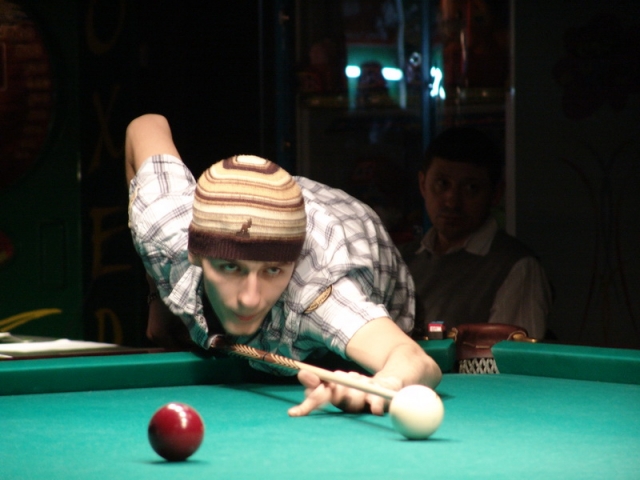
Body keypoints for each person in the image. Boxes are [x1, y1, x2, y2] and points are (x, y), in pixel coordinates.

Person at [125, 114, 441, 418]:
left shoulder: (318, 293)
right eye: (231, 268)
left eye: (272, 270)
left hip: (375, 273)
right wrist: (158, 297)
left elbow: (415, 358)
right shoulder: (165, 230)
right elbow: (146, 125)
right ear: (194, 253)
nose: (250, 298)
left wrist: (384, 384)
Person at [399, 126, 552, 340]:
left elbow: (512, 356)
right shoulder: (403, 258)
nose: (452, 201)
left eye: (471, 188)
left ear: (495, 194)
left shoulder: (516, 266)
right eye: (442, 184)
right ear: (423, 184)